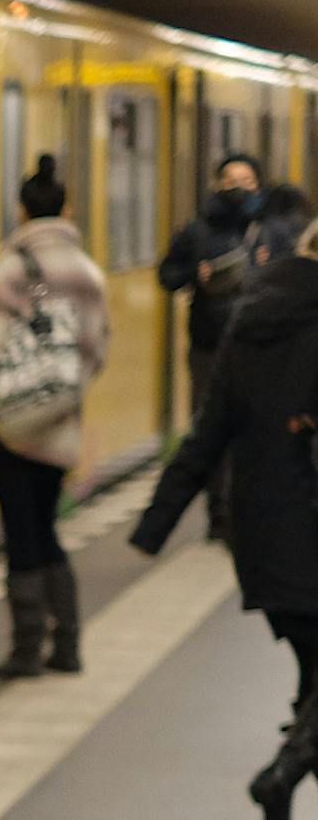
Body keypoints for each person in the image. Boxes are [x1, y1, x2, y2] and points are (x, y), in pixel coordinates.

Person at [133, 216, 318, 820]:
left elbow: (210, 431)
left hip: (264, 532)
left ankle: (287, 784)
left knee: (312, 674)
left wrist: (155, 525)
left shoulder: (251, 320)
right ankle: (283, 776)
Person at [0, 154, 110, 680]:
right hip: (60, 424)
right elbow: (96, 352)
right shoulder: (89, 273)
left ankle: (26, 649)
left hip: (10, 426)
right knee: (47, 527)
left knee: (20, 532)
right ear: (66, 208)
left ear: (22, 212)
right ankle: (67, 643)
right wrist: (60, 393)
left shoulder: (12, 267)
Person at [160, 152, 265, 539]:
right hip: (208, 347)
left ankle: (242, 504)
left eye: (247, 181)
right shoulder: (195, 232)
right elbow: (167, 274)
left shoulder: (268, 232)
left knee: (251, 429)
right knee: (211, 428)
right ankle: (218, 509)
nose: (238, 188)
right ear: (217, 185)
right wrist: (196, 274)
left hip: (257, 347)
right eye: (230, 181)